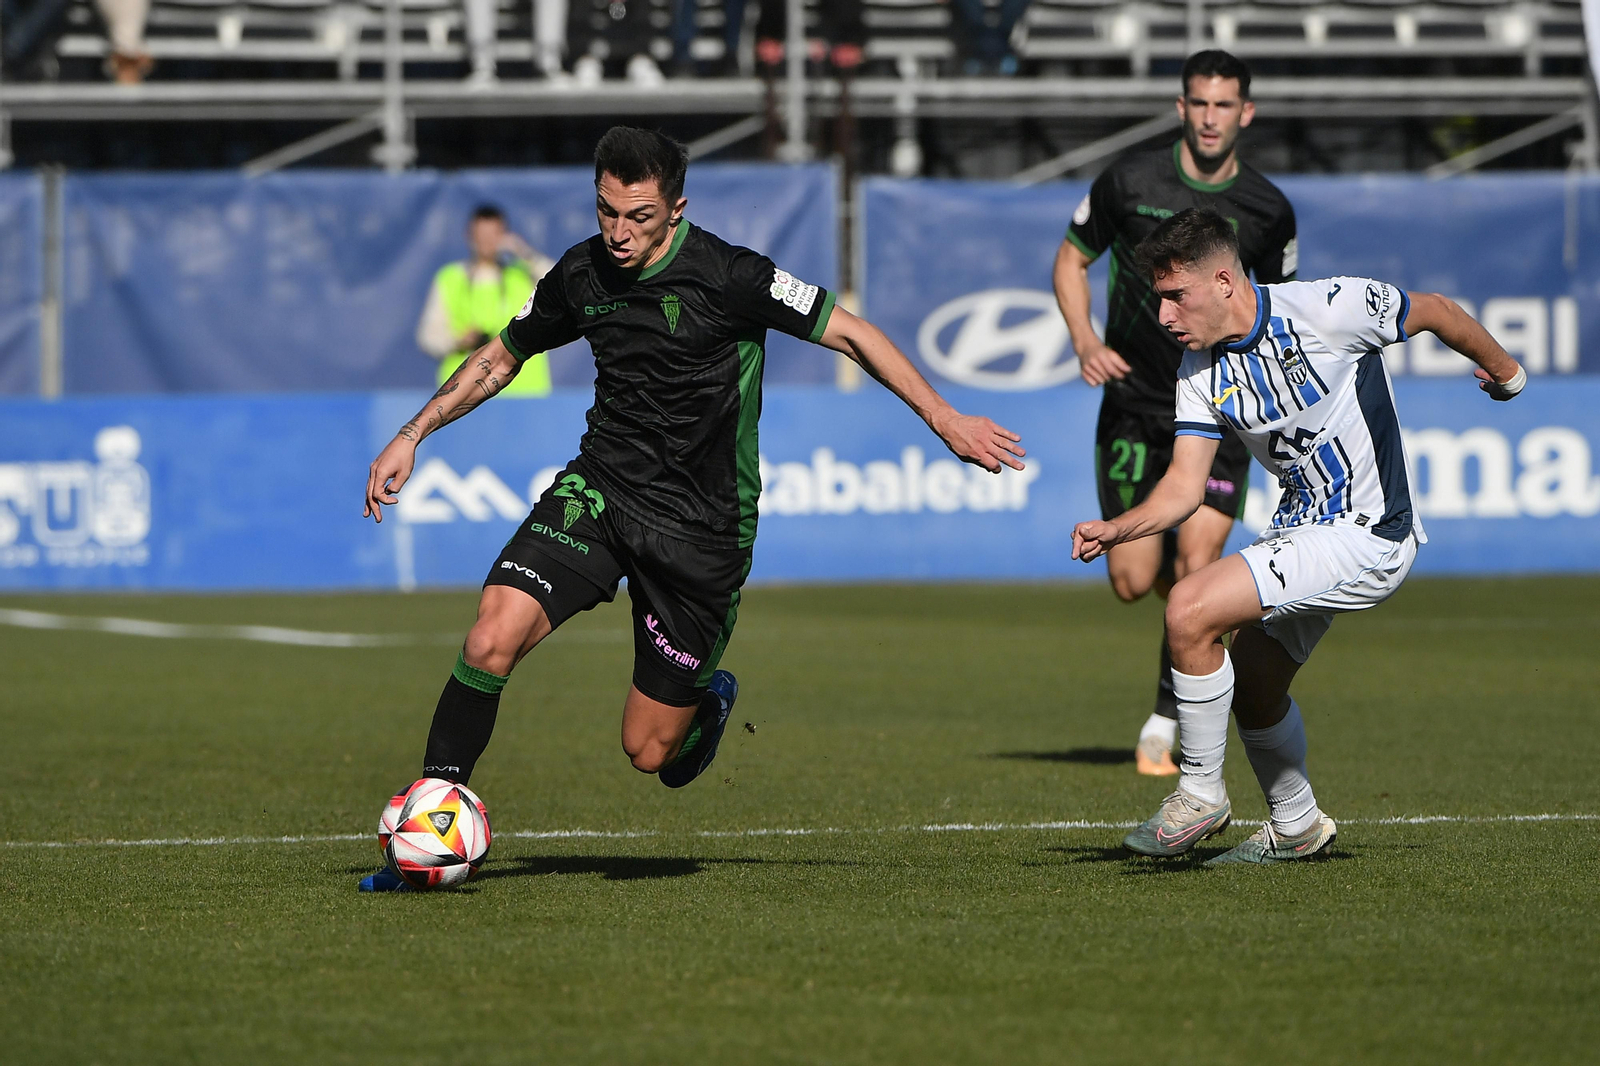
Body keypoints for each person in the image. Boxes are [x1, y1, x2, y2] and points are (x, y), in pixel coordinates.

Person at [361, 127, 1024, 890]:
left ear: (676, 208)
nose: (617, 232)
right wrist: (415, 433)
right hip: (601, 491)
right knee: (489, 636)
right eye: (606, 210)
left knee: (649, 752)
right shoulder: (580, 273)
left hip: (701, 533)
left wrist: (944, 418)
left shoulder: (730, 275)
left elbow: (850, 333)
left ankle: (704, 703)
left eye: (637, 216)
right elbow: (502, 355)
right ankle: (428, 825)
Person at [1071, 208, 1525, 865]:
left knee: (1189, 608)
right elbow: (1182, 490)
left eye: (1176, 297)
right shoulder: (1199, 371)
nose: (1165, 317)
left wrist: (1506, 372)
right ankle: (1297, 824)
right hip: (1305, 527)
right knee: (1255, 682)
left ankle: (1199, 793)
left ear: (1224, 282)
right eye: (1158, 300)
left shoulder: (1328, 307)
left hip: (1370, 529)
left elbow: (1432, 310)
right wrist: (1118, 527)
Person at [1052, 50, 1296, 777]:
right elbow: (1071, 259)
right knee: (1133, 579)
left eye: (1225, 105)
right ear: (1180, 107)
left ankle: (1169, 715)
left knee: (1199, 562)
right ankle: (1186, 623)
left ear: (1245, 113)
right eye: (1199, 103)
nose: (1211, 117)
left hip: (1219, 410)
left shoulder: (1267, 208)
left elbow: (1278, 309)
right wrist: (1085, 339)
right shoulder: (1129, 181)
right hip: (1132, 405)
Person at [415, 205, 555, 397]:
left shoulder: (523, 274)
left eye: (493, 234)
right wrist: (458, 341)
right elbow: (429, 336)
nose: (486, 241)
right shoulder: (450, 278)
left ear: (504, 236)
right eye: (481, 235)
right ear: (469, 236)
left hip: (524, 393)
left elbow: (561, 283)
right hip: (463, 394)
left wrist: (524, 253)